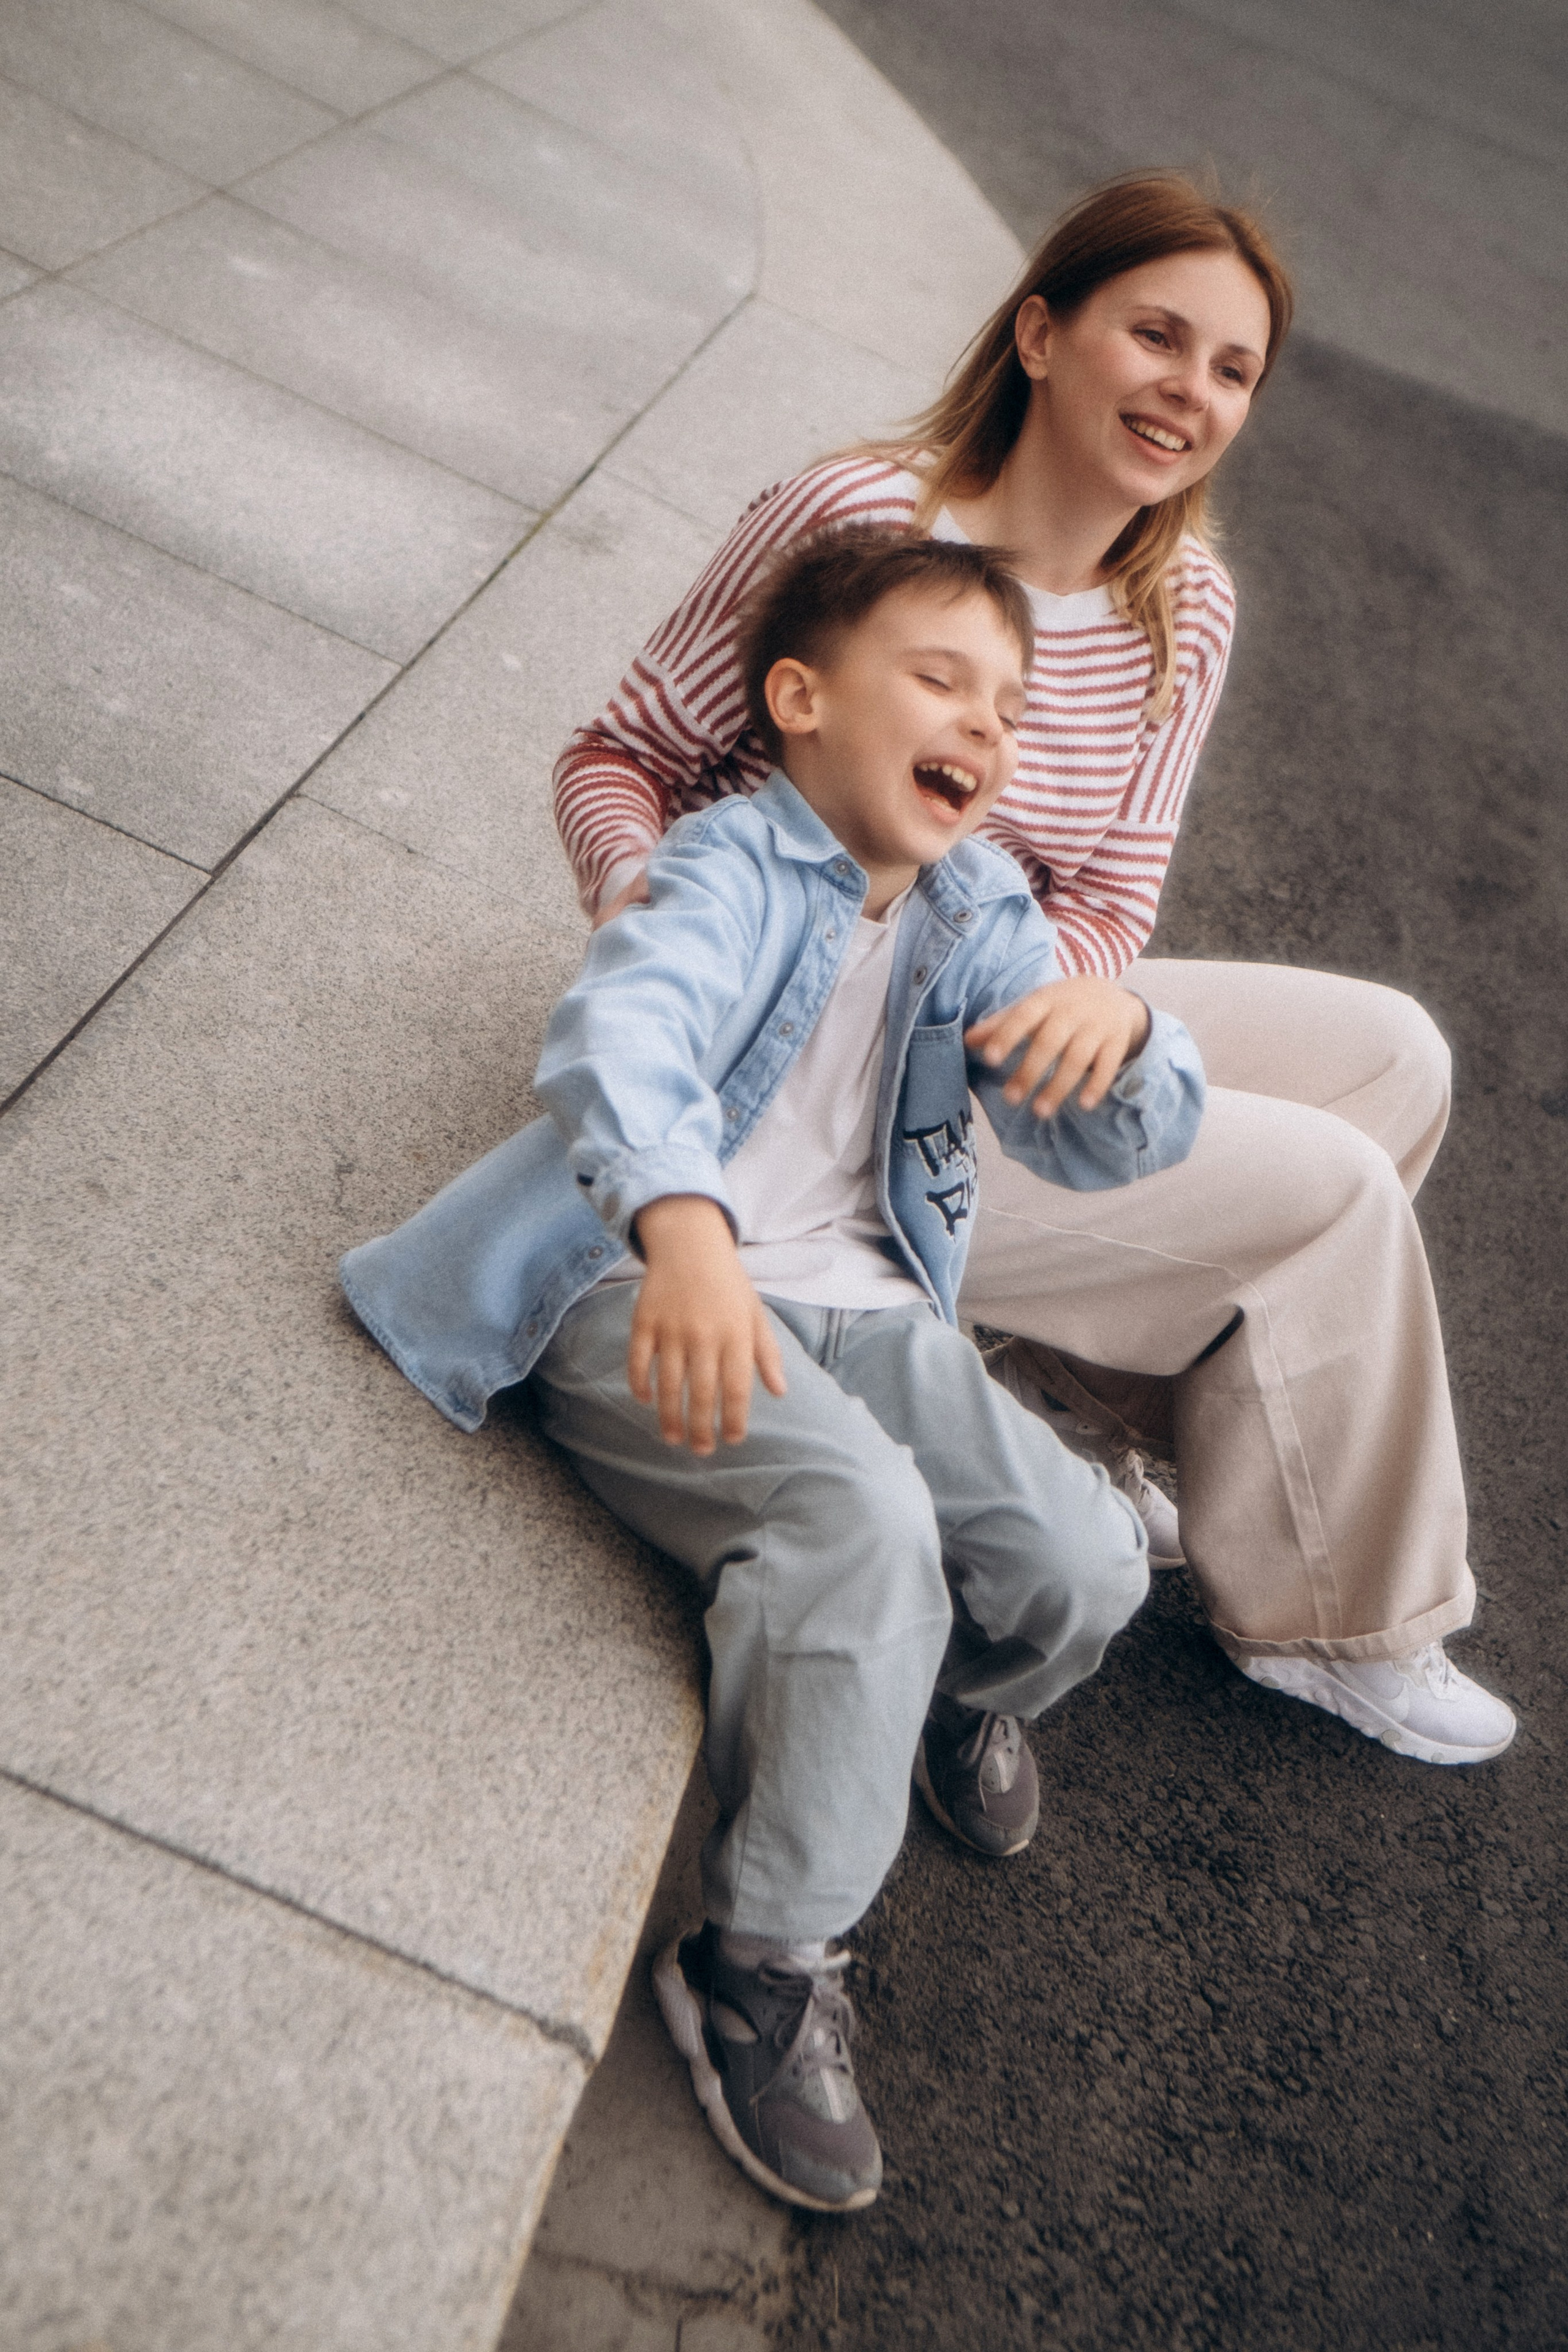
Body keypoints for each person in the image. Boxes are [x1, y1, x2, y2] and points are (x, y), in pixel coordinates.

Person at [552, 170, 1515, 1768]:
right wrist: (652, 911)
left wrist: (1084, 997)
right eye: (1158, 334)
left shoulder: (1183, 604)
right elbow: (621, 752)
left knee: (1397, 1055)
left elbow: (1116, 895)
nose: (1189, 392)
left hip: (985, 1043)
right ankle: (1343, 1622)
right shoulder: (858, 521)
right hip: (815, 1104)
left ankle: (1102, 1415)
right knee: (1338, 1190)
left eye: (1232, 370)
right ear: (1043, 331)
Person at [341, 530, 1206, 2210]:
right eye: (942, 678)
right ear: (802, 701)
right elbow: (623, 1033)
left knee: (1091, 1560)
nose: (986, 725)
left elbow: (1088, 1133)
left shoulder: (981, 908)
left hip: (866, 1302)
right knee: (862, 1525)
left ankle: (955, 1699)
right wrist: (682, 1230)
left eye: (1010, 705)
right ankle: (759, 1957)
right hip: (648, 1283)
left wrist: (1134, 1046)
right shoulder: (731, 865)